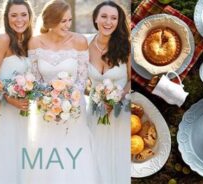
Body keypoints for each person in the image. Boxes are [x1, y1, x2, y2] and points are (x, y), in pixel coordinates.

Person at [25, 0, 100, 183]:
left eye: (69, 20)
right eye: (62, 21)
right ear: (50, 22)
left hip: (74, 106)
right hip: (46, 108)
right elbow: (35, 79)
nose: (67, 25)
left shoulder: (80, 41)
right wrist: (48, 100)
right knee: (48, 151)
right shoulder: (35, 43)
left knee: (74, 150)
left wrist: (69, 101)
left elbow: (82, 78)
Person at [87, 1, 131, 183]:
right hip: (94, 112)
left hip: (120, 110)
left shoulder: (126, 46)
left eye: (114, 18)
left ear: (119, 21)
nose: (108, 22)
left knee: (116, 159)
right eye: (104, 16)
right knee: (95, 157)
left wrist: (117, 98)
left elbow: (130, 79)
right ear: (96, 18)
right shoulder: (85, 44)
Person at [0, 0, 33, 183]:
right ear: (7, 18)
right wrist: (8, 97)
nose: (19, 20)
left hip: (22, 114)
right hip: (3, 111)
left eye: (23, 15)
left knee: (18, 157)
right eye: (14, 15)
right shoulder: (3, 39)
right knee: (3, 155)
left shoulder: (25, 41)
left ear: (30, 17)